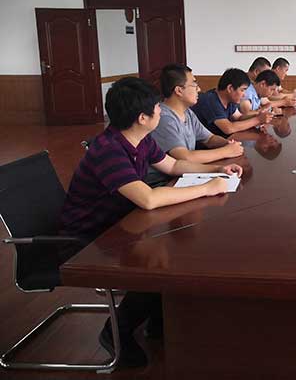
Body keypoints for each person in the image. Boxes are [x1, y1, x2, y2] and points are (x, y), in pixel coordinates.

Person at [59, 77, 243, 368]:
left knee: (171, 248)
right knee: (159, 260)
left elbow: (174, 165)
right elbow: (147, 199)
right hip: (89, 237)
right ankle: (116, 331)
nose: (161, 111)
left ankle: (158, 318)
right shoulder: (109, 149)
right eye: (157, 108)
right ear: (142, 118)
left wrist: (218, 169)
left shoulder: (140, 139)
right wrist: (208, 188)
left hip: (122, 220)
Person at [147, 64, 245, 186]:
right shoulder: (164, 118)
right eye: (194, 84)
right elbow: (184, 157)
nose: (198, 89)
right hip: (162, 182)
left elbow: (209, 138)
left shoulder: (187, 112)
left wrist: (228, 144)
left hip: (184, 174)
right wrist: (226, 151)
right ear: (179, 90)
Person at [192, 68, 273, 137]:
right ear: (230, 88)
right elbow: (229, 128)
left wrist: (258, 114)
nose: (244, 95)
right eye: (242, 90)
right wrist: (258, 120)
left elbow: (239, 117)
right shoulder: (211, 100)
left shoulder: (230, 100)